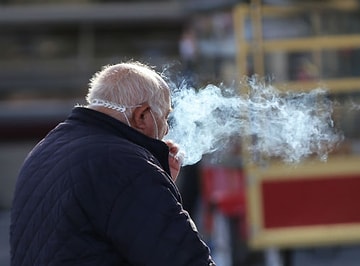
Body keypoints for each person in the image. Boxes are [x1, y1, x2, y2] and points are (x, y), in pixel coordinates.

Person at [10, 61, 216, 265]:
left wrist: (160, 180)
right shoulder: (126, 166)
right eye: (165, 118)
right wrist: (148, 178)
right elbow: (185, 259)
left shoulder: (46, 148)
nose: (167, 130)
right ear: (142, 116)